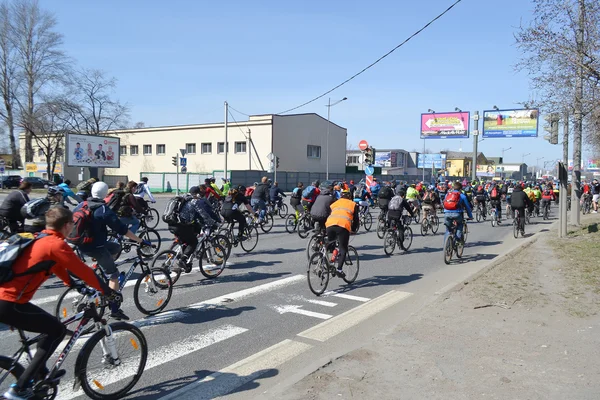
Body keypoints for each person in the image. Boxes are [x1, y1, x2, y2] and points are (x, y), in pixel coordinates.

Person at [0, 207, 112, 400]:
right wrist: (109, 292)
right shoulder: (56, 244)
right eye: (72, 225)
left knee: (47, 324)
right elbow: (84, 270)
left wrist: (73, 284)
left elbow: (56, 265)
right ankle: (19, 389)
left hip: (8, 301)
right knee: (57, 330)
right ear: (67, 225)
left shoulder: (41, 237)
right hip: (10, 303)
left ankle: (40, 373)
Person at [74, 181, 148, 321]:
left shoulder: (82, 205)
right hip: (97, 247)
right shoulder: (102, 210)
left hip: (82, 245)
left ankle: (102, 267)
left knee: (116, 247)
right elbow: (123, 229)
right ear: (105, 193)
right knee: (113, 275)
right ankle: (115, 309)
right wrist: (140, 241)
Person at [169, 185, 221, 272]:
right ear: (197, 194)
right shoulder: (194, 201)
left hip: (171, 224)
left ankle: (183, 261)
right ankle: (182, 260)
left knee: (186, 240)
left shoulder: (182, 198)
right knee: (194, 242)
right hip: (181, 226)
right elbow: (203, 214)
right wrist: (213, 223)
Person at [325, 189, 359, 278]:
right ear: (350, 196)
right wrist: (354, 229)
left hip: (329, 224)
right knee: (343, 248)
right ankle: (339, 270)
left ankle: (329, 260)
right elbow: (356, 220)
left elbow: (329, 213)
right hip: (343, 226)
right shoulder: (353, 204)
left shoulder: (335, 203)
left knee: (331, 243)